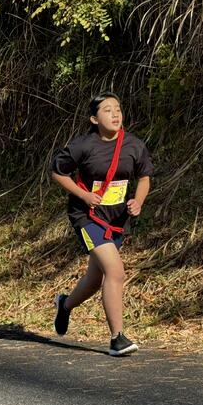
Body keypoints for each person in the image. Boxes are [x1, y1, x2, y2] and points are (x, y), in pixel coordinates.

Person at [50, 92, 153, 356]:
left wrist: (138, 201)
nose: (115, 114)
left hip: (116, 219)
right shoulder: (83, 146)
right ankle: (117, 338)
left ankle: (65, 305)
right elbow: (58, 171)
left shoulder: (133, 145)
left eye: (118, 109)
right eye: (107, 110)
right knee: (115, 272)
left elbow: (144, 177)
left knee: (95, 279)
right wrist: (83, 195)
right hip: (87, 217)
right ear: (94, 119)